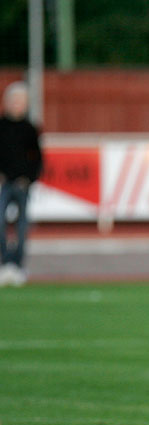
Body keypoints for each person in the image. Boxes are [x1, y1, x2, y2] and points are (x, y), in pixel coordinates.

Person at [0, 81, 43, 287]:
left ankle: (17, 266)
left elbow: (37, 158)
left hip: (22, 185)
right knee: (0, 222)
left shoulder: (29, 129)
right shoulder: (1, 127)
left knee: (22, 227)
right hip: (4, 184)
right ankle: (5, 263)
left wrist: (29, 178)